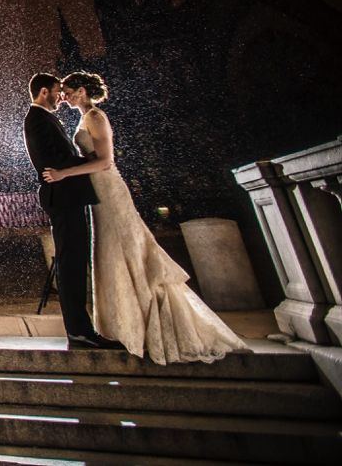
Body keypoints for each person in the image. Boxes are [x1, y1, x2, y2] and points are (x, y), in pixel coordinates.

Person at [43, 71, 248, 364]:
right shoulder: (84, 118)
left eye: (67, 90)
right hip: (97, 196)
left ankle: (147, 321)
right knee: (112, 254)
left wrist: (64, 172)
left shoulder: (96, 117)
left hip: (110, 191)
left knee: (127, 249)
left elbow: (105, 161)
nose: (63, 95)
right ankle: (128, 323)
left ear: (81, 91)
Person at [22, 73, 120, 348]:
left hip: (69, 196)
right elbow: (48, 160)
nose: (60, 98)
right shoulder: (37, 118)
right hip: (62, 197)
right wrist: (86, 160)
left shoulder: (46, 118)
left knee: (75, 263)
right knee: (70, 265)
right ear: (44, 92)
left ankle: (82, 330)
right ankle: (79, 332)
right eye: (56, 92)